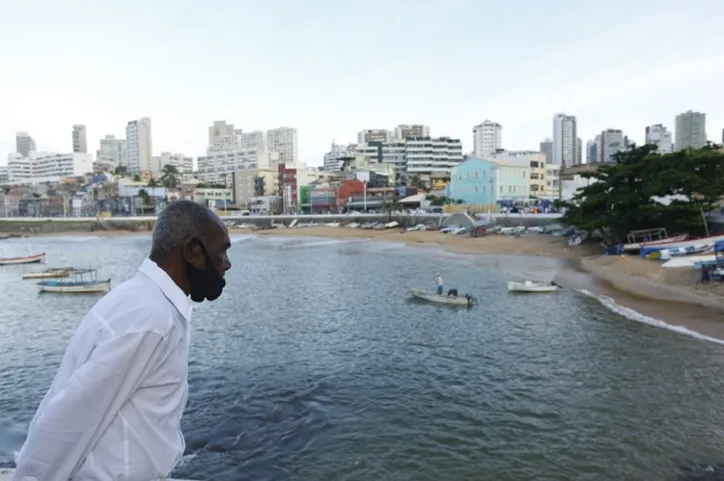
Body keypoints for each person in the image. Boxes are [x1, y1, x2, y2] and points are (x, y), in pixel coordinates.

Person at [12, 200, 232, 481]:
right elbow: (70, 416)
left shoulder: (143, 301)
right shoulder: (151, 319)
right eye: (221, 251)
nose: (226, 264)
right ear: (192, 250)